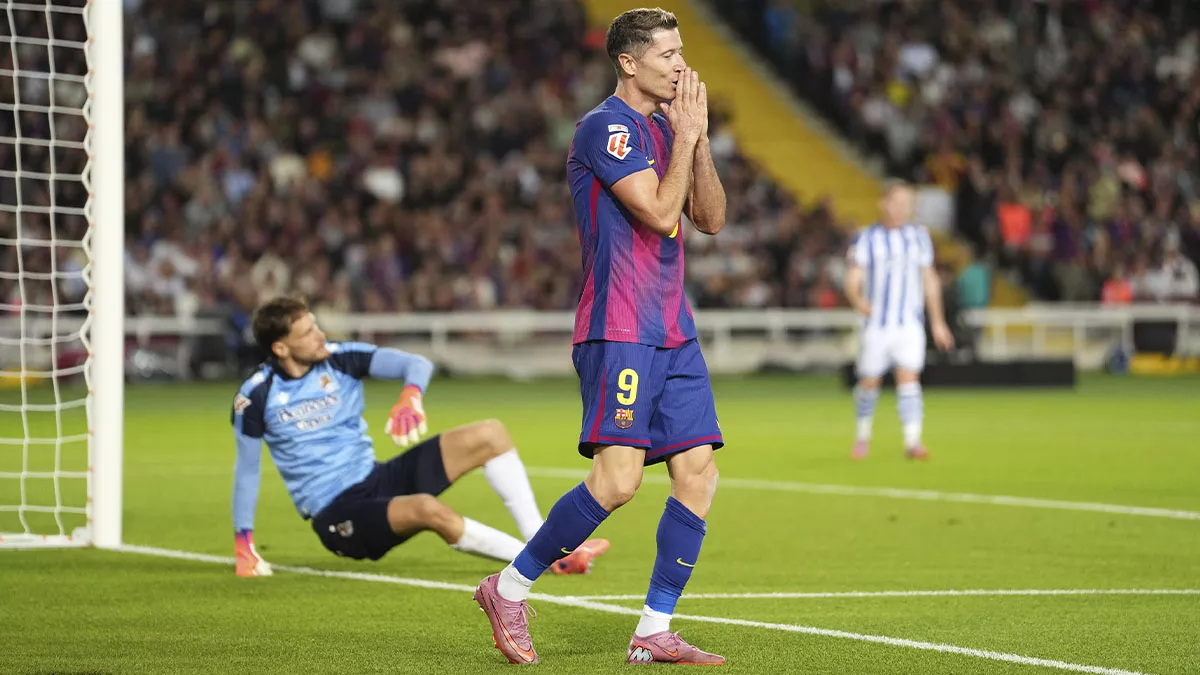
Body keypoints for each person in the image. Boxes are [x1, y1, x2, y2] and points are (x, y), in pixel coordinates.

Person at [473, 7, 727, 666]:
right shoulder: (603, 128)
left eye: (681, 52)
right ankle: (508, 587)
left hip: (673, 328)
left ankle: (653, 628)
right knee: (616, 483)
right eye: (668, 54)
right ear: (628, 61)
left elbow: (712, 218)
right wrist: (684, 134)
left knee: (698, 474)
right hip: (620, 325)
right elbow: (660, 211)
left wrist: (695, 141)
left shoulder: (670, 127)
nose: (680, 64)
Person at [230, 296, 608, 577]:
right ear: (280, 348)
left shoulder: (340, 357)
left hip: (376, 478)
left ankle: (544, 541)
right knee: (428, 509)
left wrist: (411, 393)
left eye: (315, 325)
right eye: (308, 332)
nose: (320, 335)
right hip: (336, 512)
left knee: (491, 433)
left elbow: (416, 362)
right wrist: (243, 542)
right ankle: (544, 558)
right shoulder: (256, 395)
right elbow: (247, 471)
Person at [843, 181, 955, 461]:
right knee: (869, 382)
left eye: (908, 203)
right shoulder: (867, 237)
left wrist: (938, 322)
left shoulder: (919, 236)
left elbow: (929, 279)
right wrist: (858, 301)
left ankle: (912, 441)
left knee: (909, 379)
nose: (904, 208)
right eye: (899, 202)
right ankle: (863, 436)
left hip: (908, 324)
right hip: (877, 325)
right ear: (884, 203)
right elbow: (853, 278)